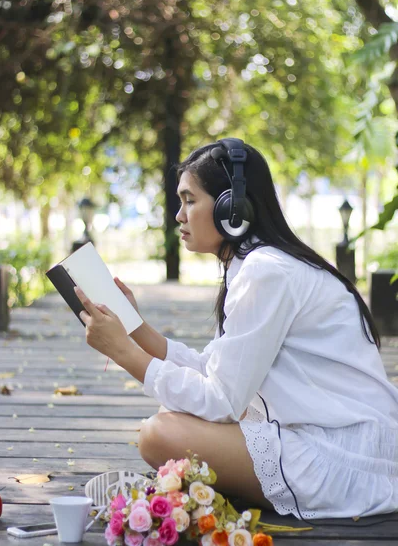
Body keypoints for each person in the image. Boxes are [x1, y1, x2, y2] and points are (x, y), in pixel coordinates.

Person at [75, 138, 398, 520]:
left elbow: (222, 401)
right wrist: (135, 328)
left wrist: (124, 353)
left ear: (233, 208)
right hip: (334, 441)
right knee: (172, 415)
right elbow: (217, 372)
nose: (178, 216)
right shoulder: (254, 265)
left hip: (343, 457)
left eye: (190, 200)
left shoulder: (266, 272)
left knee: (158, 434)